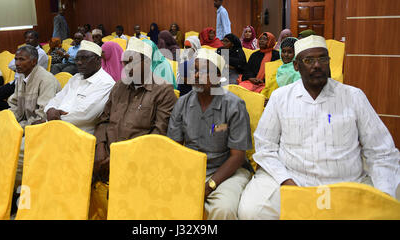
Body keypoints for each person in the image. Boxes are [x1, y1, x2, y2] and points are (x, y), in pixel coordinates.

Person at [238, 35, 400, 220]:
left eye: (323, 59)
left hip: (345, 183)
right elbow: (265, 147)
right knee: (251, 212)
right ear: (297, 66)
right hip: (292, 180)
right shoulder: (280, 98)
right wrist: (287, 182)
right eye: (309, 60)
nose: (317, 65)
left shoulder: (353, 96)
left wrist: (385, 194)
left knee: (386, 210)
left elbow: (382, 151)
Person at [168, 49, 252, 219]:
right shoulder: (182, 103)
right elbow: (174, 148)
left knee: (224, 209)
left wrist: (210, 185)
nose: (197, 75)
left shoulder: (234, 105)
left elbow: (237, 156)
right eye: (194, 70)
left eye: (204, 71)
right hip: (191, 169)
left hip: (228, 172)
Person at [0, 45, 61, 184]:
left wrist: (13, 129)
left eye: (22, 59)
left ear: (34, 61)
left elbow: (41, 118)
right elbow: (13, 105)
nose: (17, 63)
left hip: (37, 128)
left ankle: (9, 185)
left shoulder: (46, 80)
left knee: (2, 138)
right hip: (21, 124)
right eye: (16, 59)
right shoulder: (22, 77)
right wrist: (5, 125)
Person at [93, 37, 178, 183]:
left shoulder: (163, 91)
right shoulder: (119, 87)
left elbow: (158, 136)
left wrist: (120, 159)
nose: (127, 67)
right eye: (125, 63)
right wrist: (100, 149)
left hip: (139, 160)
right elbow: (103, 121)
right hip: (106, 154)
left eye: (132, 62)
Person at [45, 40, 115, 135]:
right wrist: (50, 109)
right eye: (77, 59)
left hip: (78, 135)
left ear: (98, 60)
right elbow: (57, 98)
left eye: (84, 58)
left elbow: (85, 115)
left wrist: (51, 119)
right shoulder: (75, 78)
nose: (79, 62)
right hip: (55, 128)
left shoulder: (105, 83)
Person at [0, 30, 48, 110]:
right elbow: (11, 65)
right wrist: (22, 67)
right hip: (17, 81)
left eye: (30, 38)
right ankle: (12, 112)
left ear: (37, 39)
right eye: (26, 38)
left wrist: (20, 68)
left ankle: (16, 114)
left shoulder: (41, 54)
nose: (27, 40)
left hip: (29, 83)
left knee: (0, 97)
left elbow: (31, 70)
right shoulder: (23, 51)